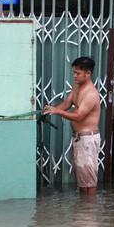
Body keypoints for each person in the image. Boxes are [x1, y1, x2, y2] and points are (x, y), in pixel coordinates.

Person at [42, 57, 101, 195]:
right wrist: (51, 109)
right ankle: (83, 211)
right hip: (79, 139)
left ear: (88, 73)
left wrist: (57, 111)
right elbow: (67, 103)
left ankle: (89, 212)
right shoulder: (76, 87)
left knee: (89, 181)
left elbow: (79, 116)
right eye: (74, 72)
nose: (74, 75)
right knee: (82, 179)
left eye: (78, 73)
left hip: (88, 140)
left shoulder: (91, 94)